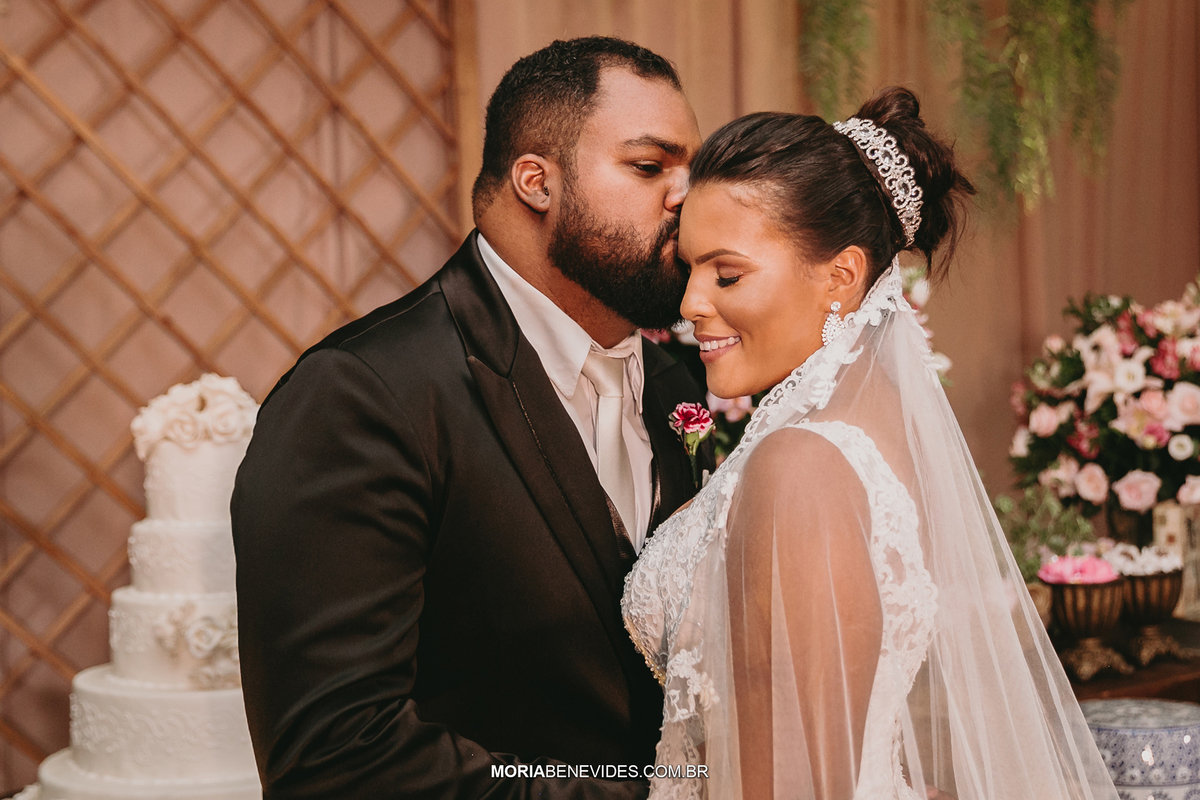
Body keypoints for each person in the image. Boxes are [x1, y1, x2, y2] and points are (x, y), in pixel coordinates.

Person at [232, 37, 711, 799]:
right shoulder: (363, 396)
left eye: (694, 170)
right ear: (536, 182)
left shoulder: (675, 385)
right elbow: (337, 757)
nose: (693, 198)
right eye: (651, 167)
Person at [622, 88, 1120, 799]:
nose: (690, 303)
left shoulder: (799, 466)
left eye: (726, 273)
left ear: (842, 275)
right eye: (690, 269)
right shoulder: (869, 428)